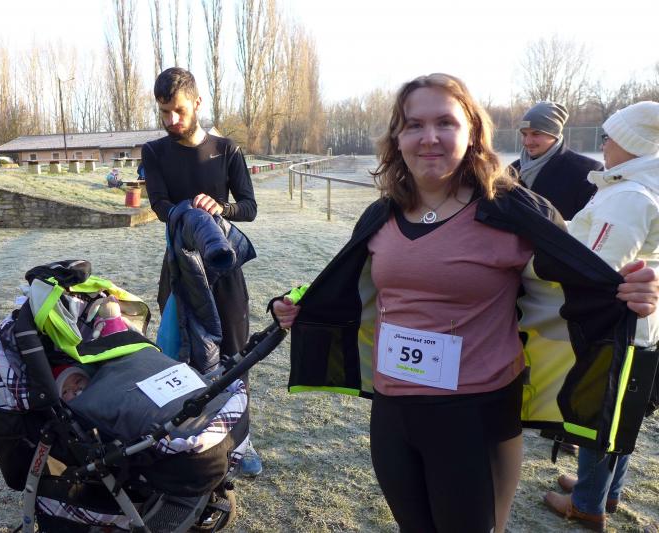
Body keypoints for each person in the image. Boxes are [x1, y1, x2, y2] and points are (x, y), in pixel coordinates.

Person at [271, 73, 659, 533]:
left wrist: (633, 293)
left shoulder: (513, 210)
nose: (429, 137)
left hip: (476, 414)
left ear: (473, 132)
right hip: (392, 414)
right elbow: (351, 285)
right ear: (397, 137)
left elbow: (582, 279)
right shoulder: (381, 214)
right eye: (414, 125)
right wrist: (299, 305)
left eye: (445, 123)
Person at [543, 100, 659, 531]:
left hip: (615, 326)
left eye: (610, 136)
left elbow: (598, 266)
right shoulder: (632, 185)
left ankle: (587, 504)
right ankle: (605, 491)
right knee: (620, 413)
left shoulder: (628, 196)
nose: (604, 143)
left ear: (632, 143)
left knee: (599, 412)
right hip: (637, 326)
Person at [142, 67, 262, 476]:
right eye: (164, 112)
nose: (171, 119)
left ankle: (242, 441)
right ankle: (190, 440)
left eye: (178, 110)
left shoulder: (226, 149)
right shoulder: (153, 152)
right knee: (180, 356)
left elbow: (249, 207)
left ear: (196, 102)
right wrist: (188, 213)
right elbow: (160, 205)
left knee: (236, 357)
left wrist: (220, 208)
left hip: (224, 269)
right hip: (179, 269)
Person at [509, 101, 602, 220]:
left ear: (554, 134)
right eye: (524, 134)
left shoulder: (586, 172)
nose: (527, 141)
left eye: (536, 134)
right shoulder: (512, 170)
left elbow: (588, 223)